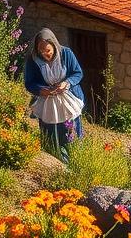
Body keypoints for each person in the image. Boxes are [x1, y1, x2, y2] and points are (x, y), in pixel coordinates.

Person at [23, 28, 85, 163]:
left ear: (54, 46)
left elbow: (77, 73)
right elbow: (29, 83)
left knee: (70, 130)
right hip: (48, 101)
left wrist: (66, 83)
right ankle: (54, 160)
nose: (45, 54)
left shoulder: (66, 54)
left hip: (68, 99)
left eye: (48, 51)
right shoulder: (33, 60)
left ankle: (74, 161)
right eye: (41, 51)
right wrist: (41, 90)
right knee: (50, 131)